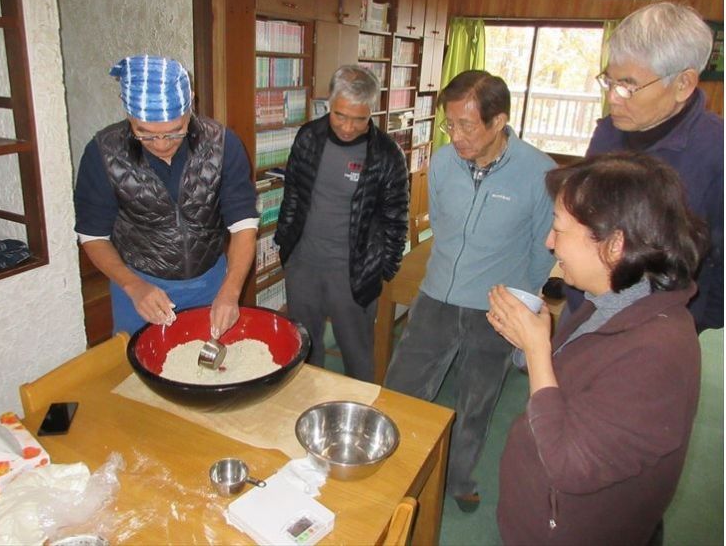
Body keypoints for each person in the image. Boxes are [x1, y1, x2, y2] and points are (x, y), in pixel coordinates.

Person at [489, 152, 708, 545]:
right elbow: (576, 377)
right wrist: (529, 343)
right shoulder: (612, 300)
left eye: (559, 229)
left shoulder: (657, 352)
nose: (548, 242)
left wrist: (538, 352)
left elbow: (569, 463)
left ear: (613, 245)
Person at [384, 70, 556, 511]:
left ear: (498, 122)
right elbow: (442, 225)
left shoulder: (539, 173)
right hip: (437, 295)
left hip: (495, 309)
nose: (455, 136)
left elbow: (543, 250)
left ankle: (458, 479)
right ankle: (393, 474)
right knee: (401, 391)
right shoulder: (442, 163)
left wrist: (518, 301)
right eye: (449, 124)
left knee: (475, 403)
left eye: (466, 125)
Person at [566, 2, 723, 333]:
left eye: (627, 86)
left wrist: (699, 327)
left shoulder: (716, 151)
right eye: (608, 81)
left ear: (683, 84)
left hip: (656, 329)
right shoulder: (608, 132)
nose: (613, 98)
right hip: (587, 307)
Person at [74, 55, 258, 337]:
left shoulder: (222, 143)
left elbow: (243, 223)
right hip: (138, 287)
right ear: (128, 115)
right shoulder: (103, 153)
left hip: (211, 282)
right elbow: (93, 236)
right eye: (144, 134)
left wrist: (231, 291)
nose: (161, 144)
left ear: (191, 105)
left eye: (174, 132)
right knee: (137, 373)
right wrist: (134, 287)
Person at [274, 65, 409, 381]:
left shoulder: (387, 155)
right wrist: (285, 245)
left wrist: (383, 268)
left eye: (359, 118)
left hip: (355, 273)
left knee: (357, 355)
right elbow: (293, 192)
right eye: (340, 115)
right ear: (328, 105)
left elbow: (395, 219)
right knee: (303, 349)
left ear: (371, 111)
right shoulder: (308, 136)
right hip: (303, 264)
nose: (348, 127)